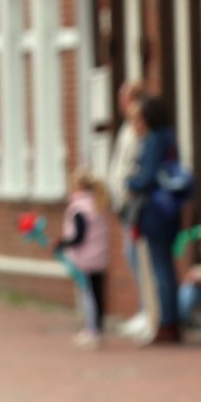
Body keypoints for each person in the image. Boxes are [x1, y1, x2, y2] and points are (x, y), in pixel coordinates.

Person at [127, 95, 187, 346]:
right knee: (166, 266)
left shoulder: (154, 140)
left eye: (139, 118)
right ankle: (170, 320)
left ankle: (166, 322)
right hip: (169, 211)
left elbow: (147, 178)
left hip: (155, 212)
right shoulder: (168, 137)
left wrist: (130, 181)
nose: (136, 124)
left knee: (160, 267)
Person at [107, 79, 155, 340]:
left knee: (140, 258)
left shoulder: (139, 132)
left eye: (124, 98)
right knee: (132, 255)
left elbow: (134, 166)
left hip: (134, 205)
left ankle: (148, 312)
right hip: (126, 205)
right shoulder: (127, 129)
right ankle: (143, 309)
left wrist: (126, 189)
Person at [55, 168, 111, 348]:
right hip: (100, 256)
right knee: (98, 294)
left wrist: (63, 244)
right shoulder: (98, 203)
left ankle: (92, 330)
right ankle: (97, 329)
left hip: (85, 258)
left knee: (88, 296)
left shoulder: (78, 208)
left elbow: (79, 236)